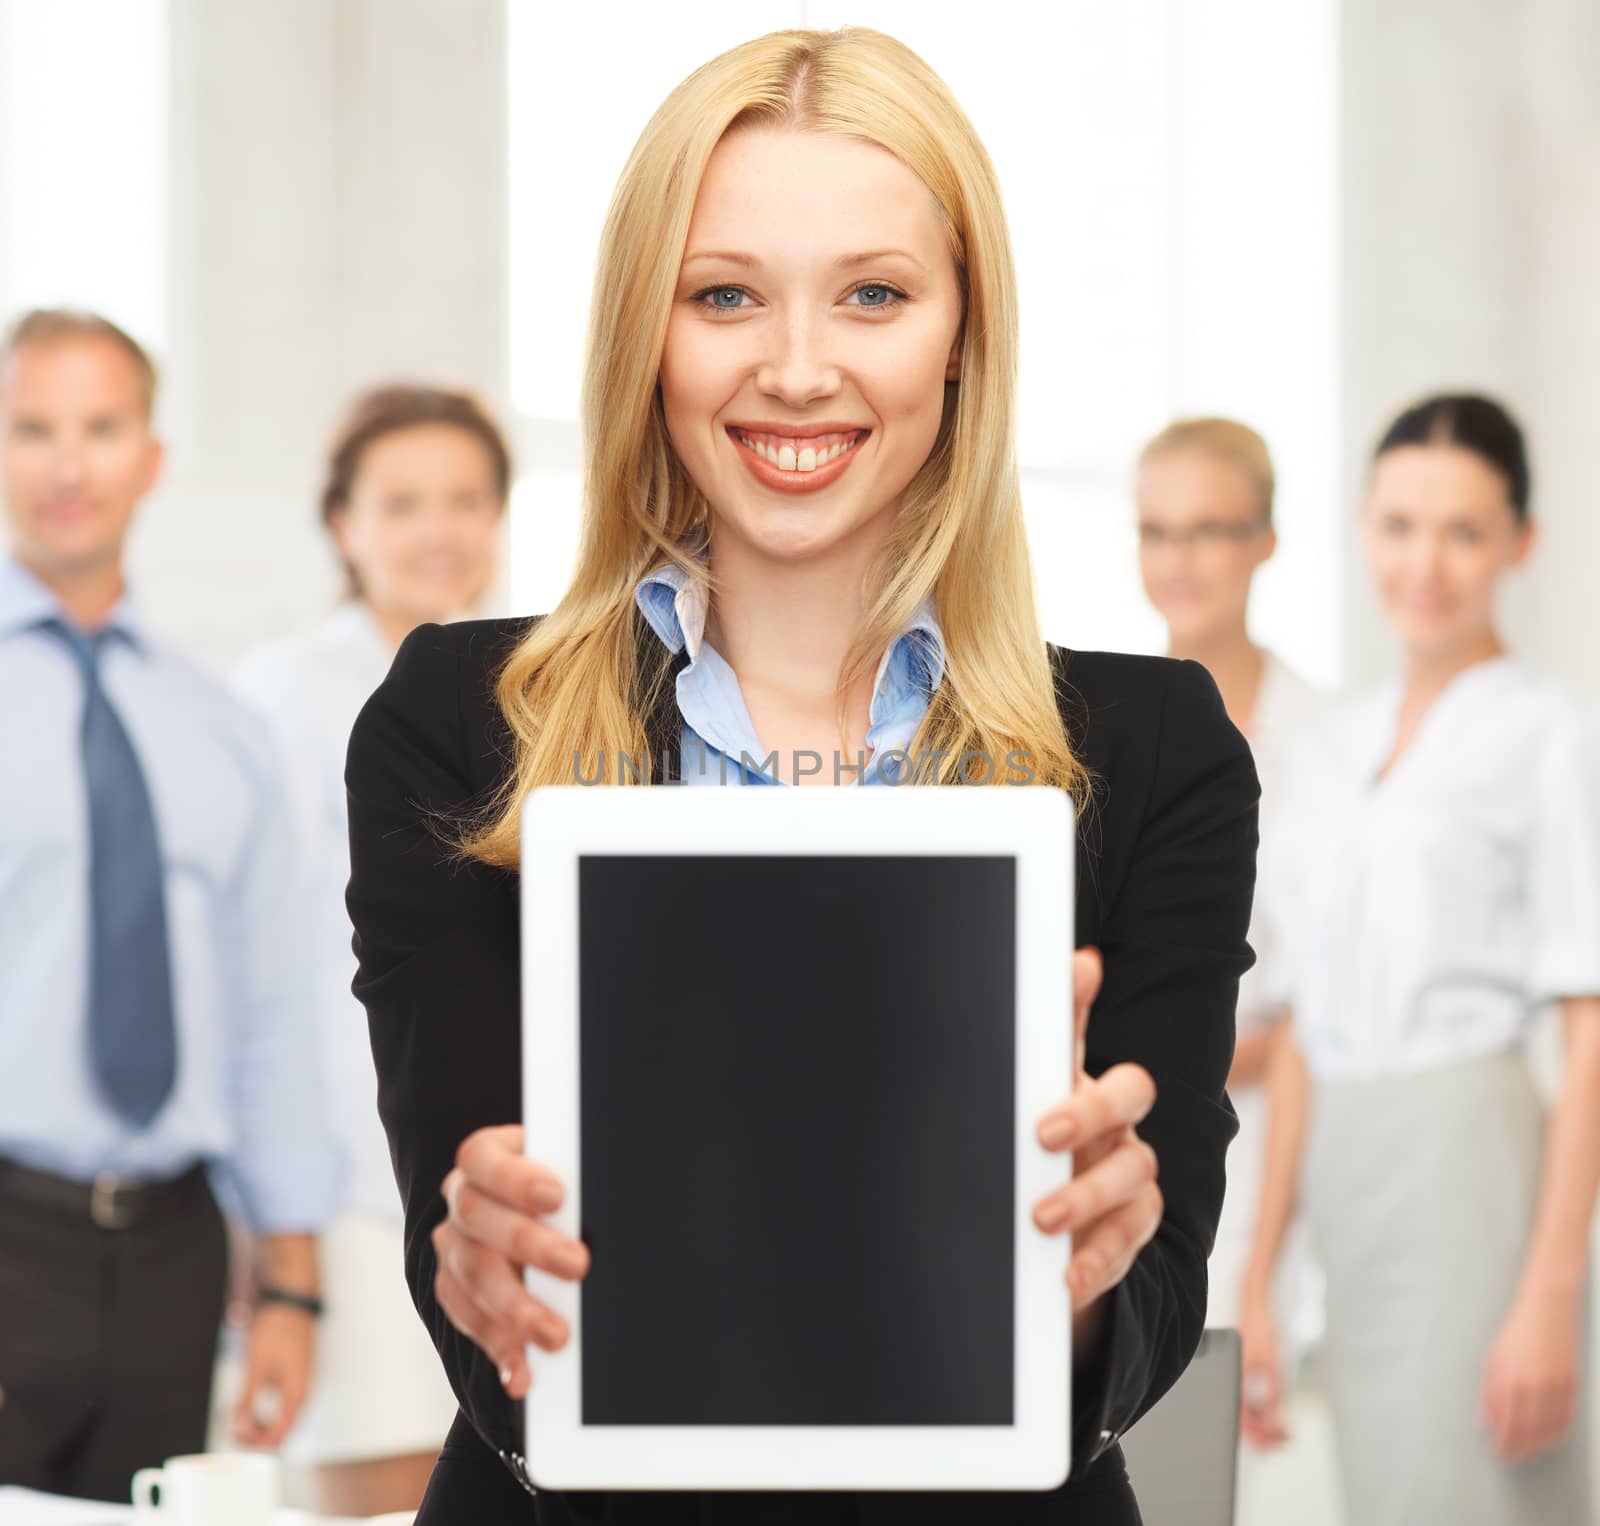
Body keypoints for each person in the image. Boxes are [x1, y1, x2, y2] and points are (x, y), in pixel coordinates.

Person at [344, 28, 1260, 1524]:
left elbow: (1147, 1313)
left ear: (963, 333)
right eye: (723, 296)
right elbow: (471, 1282)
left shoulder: (1155, 751)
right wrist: (479, 1258)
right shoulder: (459, 721)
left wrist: (1090, 1277)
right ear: (649, 327)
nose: (795, 368)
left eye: (876, 295)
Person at [0, 308, 339, 1501]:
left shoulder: (220, 732)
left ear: (153, 457)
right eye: (33, 427)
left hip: (174, 1254)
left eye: (101, 426)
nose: (69, 463)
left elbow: (268, 1017)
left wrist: (293, 1284)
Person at [1244, 393, 1600, 1524]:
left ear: (1518, 543)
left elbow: (1589, 1021)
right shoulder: (1328, 749)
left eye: (1464, 530)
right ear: (1360, 527)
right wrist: (1260, 1277)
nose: (1425, 563)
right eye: (1399, 524)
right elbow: (1299, 1023)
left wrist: (1550, 1292)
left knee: (1480, 1492)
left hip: (1474, 1167)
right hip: (1348, 1173)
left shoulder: (1548, 734)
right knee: (1387, 1490)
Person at [231, 383, 511, 1516]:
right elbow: (262, 972)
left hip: (513, 1179)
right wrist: (275, 1230)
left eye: (464, 498)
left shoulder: (547, 682)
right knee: (372, 1492)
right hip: (350, 1181)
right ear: (342, 522)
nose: (436, 528)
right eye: (401, 502)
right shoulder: (281, 698)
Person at [1130, 418, 1322, 1474]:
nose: (1178, 561)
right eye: (1155, 531)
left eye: (1207, 529)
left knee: (1223, 1462)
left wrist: (1262, 1277)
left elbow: (1304, 1021)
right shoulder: (1100, 728)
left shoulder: (1320, 744)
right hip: (1123, 1138)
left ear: (1265, 540)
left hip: (1261, 1159)